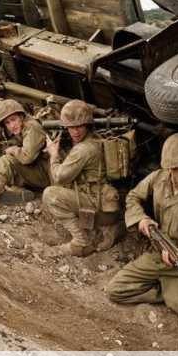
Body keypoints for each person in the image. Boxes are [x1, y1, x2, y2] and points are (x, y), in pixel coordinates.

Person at [106, 133, 178, 316]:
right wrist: (141, 219)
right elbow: (133, 197)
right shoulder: (158, 178)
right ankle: (161, 292)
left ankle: (169, 292)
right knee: (115, 290)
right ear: (172, 168)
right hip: (156, 252)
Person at [41, 100, 121, 256]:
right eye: (71, 127)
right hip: (106, 203)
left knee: (50, 195)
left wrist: (54, 155)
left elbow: (59, 177)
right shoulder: (96, 138)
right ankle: (106, 228)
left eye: (79, 126)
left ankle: (81, 242)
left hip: (97, 206)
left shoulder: (83, 149)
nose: (75, 132)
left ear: (87, 125)